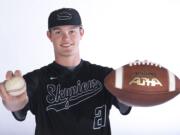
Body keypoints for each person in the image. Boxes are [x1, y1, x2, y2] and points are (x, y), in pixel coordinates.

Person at [0, 8, 131, 135]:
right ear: (49, 35)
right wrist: (14, 104)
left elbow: (124, 106)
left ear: (81, 33)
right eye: (58, 32)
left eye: (72, 31)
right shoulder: (36, 79)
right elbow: (19, 108)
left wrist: (129, 91)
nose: (66, 38)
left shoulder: (105, 76)